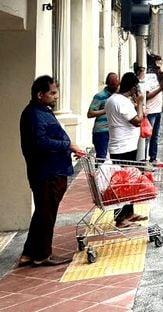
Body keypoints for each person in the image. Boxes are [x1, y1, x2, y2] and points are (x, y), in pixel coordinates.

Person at [18, 75, 84, 267]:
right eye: (52, 93)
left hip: (52, 169)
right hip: (47, 172)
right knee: (47, 214)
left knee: (42, 212)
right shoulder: (34, 115)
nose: (56, 97)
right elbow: (40, 142)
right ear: (40, 94)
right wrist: (67, 145)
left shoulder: (41, 111)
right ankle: (42, 254)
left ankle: (29, 253)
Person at [104, 71, 146, 227]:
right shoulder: (122, 102)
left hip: (120, 146)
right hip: (124, 148)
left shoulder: (112, 100)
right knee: (123, 184)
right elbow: (137, 121)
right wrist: (140, 102)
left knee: (127, 182)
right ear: (134, 87)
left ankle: (129, 212)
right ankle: (121, 218)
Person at [86, 72, 120, 159]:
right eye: (112, 84)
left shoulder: (118, 95)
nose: (115, 86)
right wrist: (106, 110)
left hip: (114, 129)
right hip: (101, 131)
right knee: (101, 157)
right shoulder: (100, 96)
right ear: (107, 84)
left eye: (116, 84)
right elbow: (90, 113)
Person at [144, 71, 163, 162]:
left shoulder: (161, 86)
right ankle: (144, 158)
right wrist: (160, 89)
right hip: (150, 112)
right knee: (148, 136)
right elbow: (146, 96)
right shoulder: (151, 84)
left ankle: (153, 157)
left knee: (155, 136)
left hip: (158, 112)